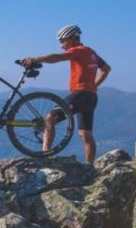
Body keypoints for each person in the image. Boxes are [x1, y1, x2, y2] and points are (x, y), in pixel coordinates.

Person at [20, 24, 111, 164]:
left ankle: (46, 156)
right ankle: (89, 167)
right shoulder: (91, 52)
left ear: (74, 38)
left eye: (63, 41)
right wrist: (95, 85)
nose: (61, 45)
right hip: (91, 96)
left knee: (49, 118)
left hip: (80, 94)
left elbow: (56, 58)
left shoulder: (78, 51)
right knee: (86, 134)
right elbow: (106, 68)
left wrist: (35, 59)